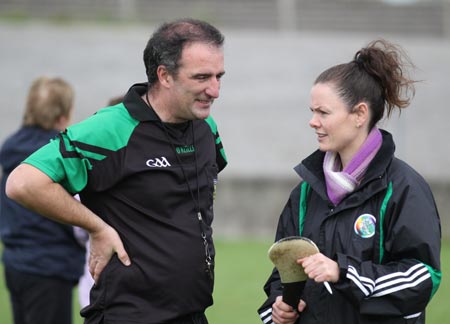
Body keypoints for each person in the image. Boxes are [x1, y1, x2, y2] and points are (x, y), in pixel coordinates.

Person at [6, 18, 227, 324]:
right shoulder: (111, 128)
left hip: (194, 314)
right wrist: (96, 227)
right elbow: (23, 182)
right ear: (164, 75)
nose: (214, 90)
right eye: (202, 77)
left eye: (219, 76)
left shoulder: (206, 128)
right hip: (128, 315)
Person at [258, 39, 441, 324]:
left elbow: (422, 278)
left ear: (359, 114)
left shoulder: (404, 187)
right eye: (312, 112)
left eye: (323, 112)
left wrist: (343, 272)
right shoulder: (305, 192)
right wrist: (281, 305)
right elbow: (284, 271)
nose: (313, 122)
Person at [0, 76, 86, 324]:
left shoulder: (11, 148)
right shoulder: (56, 156)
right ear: (63, 116)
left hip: (15, 262)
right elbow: (76, 212)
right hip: (49, 266)